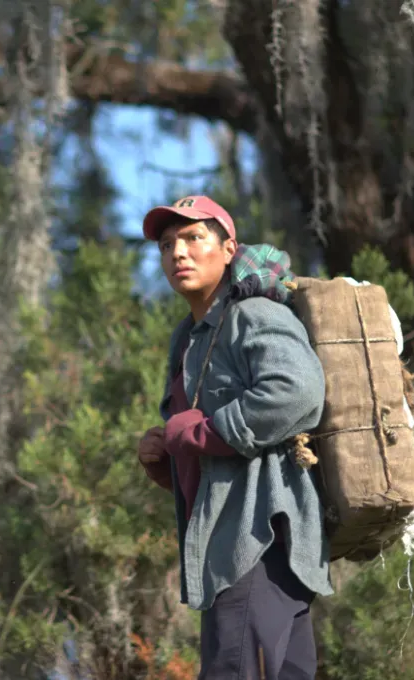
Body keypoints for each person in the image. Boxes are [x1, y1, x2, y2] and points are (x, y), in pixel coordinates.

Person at [136, 195, 331, 679]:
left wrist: (202, 431)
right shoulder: (189, 338)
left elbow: (298, 391)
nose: (177, 253)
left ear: (228, 249)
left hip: (256, 541)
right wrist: (165, 458)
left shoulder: (252, 314)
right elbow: (210, 458)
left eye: (193, 238)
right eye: (166, 244)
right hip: (236, 551)